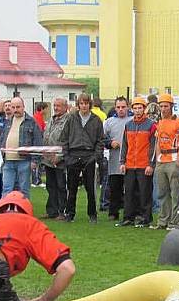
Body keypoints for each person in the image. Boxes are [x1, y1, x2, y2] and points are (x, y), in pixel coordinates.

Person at [60, 93, 103, 223]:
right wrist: (67, 156)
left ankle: (92, 215)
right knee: (71, 188)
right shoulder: (71, 118)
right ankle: (70, 214)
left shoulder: (96, 120)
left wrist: (95, 157)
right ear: (78, 105)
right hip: (73, 155)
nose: (84, 106)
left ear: (90, 104)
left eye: (86, 103)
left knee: (90, 188)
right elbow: (64, 138)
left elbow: (100, 141)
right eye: (81, 103)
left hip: (89, 156)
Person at [118, 97, 156, 227]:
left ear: (144, 109)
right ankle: (128, 217)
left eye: (140, 108)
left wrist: (151, 164)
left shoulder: (151, 125)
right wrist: (122, 162)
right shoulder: (128, 125)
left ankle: (145, 218)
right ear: (132, 109)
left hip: (144, 165)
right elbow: (125, 145)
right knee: (129, 192)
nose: (138, 110)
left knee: (145, 193)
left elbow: (153, 146)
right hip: (129, 164)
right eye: (135, 108)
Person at [152, 93, 179, 229]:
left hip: (173, 159)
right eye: (161, 106)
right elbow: (158, 141)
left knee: (176, 192)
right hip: (162, 161)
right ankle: (163, 221)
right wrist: (158, 157)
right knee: (162, 192)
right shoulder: (159, 122)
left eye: (166, 106)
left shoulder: (178, 122)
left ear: (171, 106)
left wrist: (178, 161)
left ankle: (175, 222)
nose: (163, 109)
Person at [0, 97, 43, 198]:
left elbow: (38, 141)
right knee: (6, 188)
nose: (15, 109)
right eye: (13, 107)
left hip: (24, 161)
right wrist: (1, 153)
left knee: (24, 190)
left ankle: (23, 211)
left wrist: (35, 161)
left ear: (23, 107)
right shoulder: (8, 121)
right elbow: (2, 139)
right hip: (8, 161)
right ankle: (7, 211)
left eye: (18, 107)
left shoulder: (31, 122)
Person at [102, 97, 130, 221]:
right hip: (114, 161)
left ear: (127, 107)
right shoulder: (108, 122)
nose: (121, 109)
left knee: (130, 189)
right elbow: (102, 138)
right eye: (118, 107)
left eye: (123, 107)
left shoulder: (133, 120)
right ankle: (113, 213)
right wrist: (110, 143)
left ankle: (130, 213)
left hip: (131, 161)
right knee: (114, 188)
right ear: (115, 108)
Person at [42, 97, 70, 220]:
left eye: (58, 106)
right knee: (50, 185)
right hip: (48, 159)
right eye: (54, 105)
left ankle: (62, 211)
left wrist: (59, 157)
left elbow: (68, 141)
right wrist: (46, 155)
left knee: (61, 186)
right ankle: (51, 211)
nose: (56, 108)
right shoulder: (50, 120)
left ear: (65, 107)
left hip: (61, 160)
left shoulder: (69, 121)